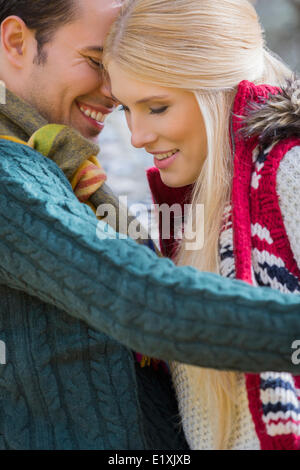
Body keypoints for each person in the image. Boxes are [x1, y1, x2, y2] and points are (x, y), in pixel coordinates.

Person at [0, 0, 300, 451]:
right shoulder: (11, 174)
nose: (111, 88)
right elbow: (140, 296)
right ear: (16, 42)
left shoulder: (64, 165)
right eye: (97, 61)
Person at [103, 0, 300, 450]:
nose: (136, 136)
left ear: (216, 90)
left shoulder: (288, 173)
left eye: (156, 107)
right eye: (124, 110)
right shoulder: (197, 208)